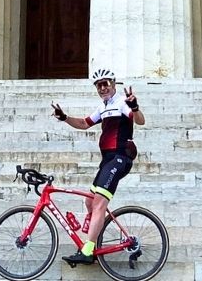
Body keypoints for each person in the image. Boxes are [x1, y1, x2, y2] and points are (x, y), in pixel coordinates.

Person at [49, 68, 145, 266]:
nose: (102, 87)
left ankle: (88, 249)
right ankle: (93, 234)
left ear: (113, 83)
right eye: (98, 85)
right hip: (107, 160)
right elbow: (85, 123)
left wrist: (135, 107)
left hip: (119, 158)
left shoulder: (121, 103)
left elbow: (140, 121)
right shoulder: (104, 107)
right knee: (90, 202)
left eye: (106, 83)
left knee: (99, 202)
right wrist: (65, 117)